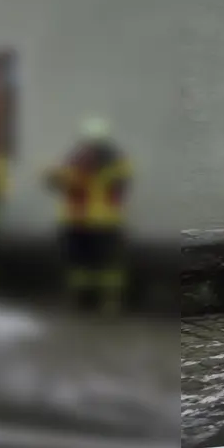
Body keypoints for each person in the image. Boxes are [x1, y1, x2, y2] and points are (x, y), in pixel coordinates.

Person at [46, 117, 131, 311]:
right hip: (82, 222)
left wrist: (67, 173)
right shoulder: (77, 162)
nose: (91, 149)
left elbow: (117, 181)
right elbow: (56, 181)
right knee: (81, 265)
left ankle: (107, 301)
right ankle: (85, 300)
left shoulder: (111, 164)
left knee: (105, 266)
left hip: (100, 223)